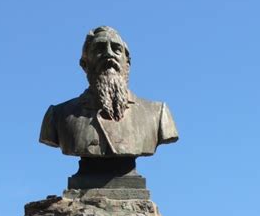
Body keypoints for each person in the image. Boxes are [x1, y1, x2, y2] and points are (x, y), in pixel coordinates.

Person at [39, 26, 178, 158]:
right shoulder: (58, 116)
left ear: (127, 63)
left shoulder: (157, 114)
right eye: (99, 49)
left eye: (116, 49)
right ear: (84, 64)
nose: (108, 54)